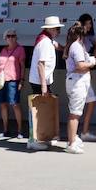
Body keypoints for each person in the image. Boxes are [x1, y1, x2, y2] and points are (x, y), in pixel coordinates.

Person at [27, 16, 63, 151]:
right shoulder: (45, 43)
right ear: (51, 29)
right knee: (37, 110)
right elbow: (41, 64)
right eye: (57, 29)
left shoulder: (46, 39)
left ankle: (41, 137)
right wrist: (43, 85)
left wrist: (66, 49)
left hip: (42, 80)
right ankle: (33, 139)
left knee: (43, 110)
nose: (59, 31)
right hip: (40, 81)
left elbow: (57, 45)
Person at [63, 22, 96, 153]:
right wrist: (92, 63)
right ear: (80, 35)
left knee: (76, 112)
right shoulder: (76, 46)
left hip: (78, 81)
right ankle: (71, 143)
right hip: (77, 81)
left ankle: (73, 138)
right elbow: (80, 66)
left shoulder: (74, 45)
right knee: (75, 113)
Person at [0, 28, 26, 139]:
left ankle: (20, 131)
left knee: (15, 105)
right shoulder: (3, 50)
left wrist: (22, 80)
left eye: (13, 36)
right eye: (8, 36)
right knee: (3, 105)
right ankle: (5, 130)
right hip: (2, 81)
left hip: (13, 80)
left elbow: (22, 66)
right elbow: (0, 66)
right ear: (5, 38)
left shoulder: (20, 49)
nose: (11, 38)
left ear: (16, 37)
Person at [76, 14, 96, 141]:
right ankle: (75, 135)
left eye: (90, 23)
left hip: (85, 74)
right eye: (87, 23)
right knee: (77, 106)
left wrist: (95, 50)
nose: (89, 26)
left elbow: (95, 45)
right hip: (78, 76)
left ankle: (82, 132)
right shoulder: (77, 40)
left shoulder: (89, 37)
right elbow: (78, 63)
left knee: (90, 101)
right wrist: (90, 62)